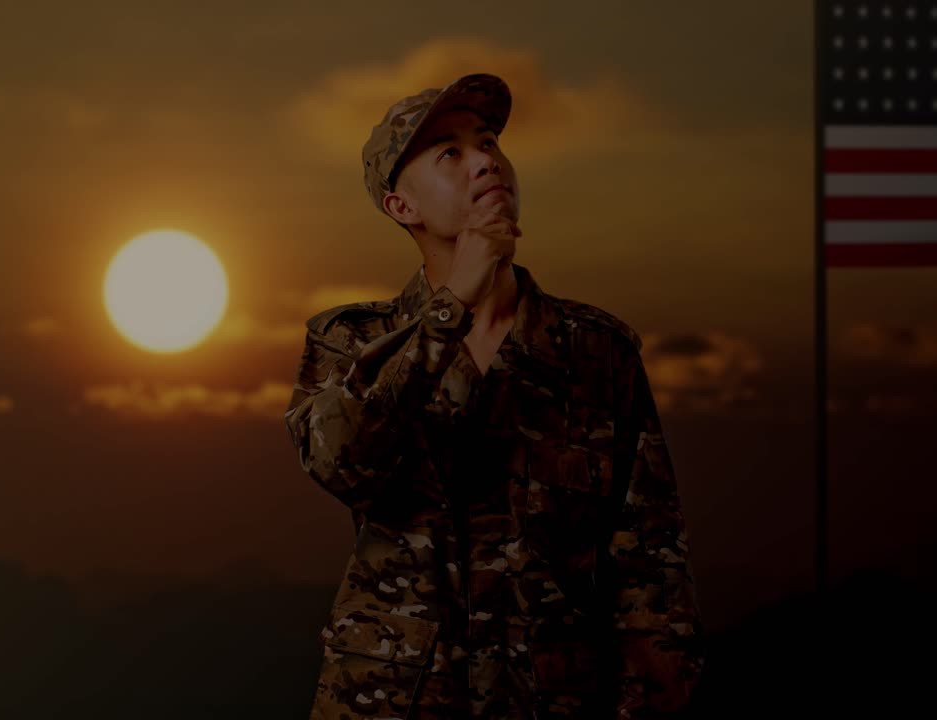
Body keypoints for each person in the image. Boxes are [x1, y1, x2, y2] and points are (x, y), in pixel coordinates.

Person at [284, 72, 705, 719]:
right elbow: (343, 462)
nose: (485, 160)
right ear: (402, 206)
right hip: (393, 702)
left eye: (489, 143)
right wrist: (453, 306)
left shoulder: (597, 350)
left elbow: (650, 563)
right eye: (450, 152)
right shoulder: (353, 343)